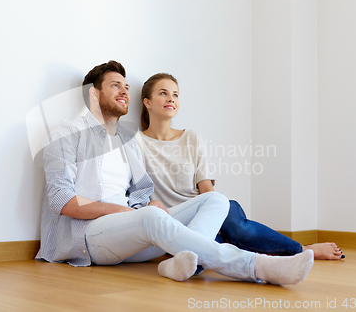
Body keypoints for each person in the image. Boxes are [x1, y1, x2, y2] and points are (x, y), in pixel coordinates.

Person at [35, 60, 315, 285]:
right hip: (89, 239)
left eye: (126, 86)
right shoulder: (67, 134)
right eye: (115, 85)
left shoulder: (126, 142)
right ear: (93, 94)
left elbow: (140, 197)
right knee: (151, 217)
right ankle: (258, 266)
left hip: (131, 236)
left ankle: (179, 263)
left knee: (216, 201)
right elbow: (62, 201)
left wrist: (149, 204)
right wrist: (123, 212)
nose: (124, 91)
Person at [136, 73, 344, 260]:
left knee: (238, 229)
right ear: (147, 102)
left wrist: (211, 219)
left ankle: (304, 250)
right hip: (177, 222)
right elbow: (139, 195)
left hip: (208, 210)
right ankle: (267, 259)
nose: (171, 98)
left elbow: (207, 190)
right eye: (163, 93)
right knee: (214, 250)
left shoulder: (191, 138)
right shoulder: (136, 143)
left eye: (176, 94)